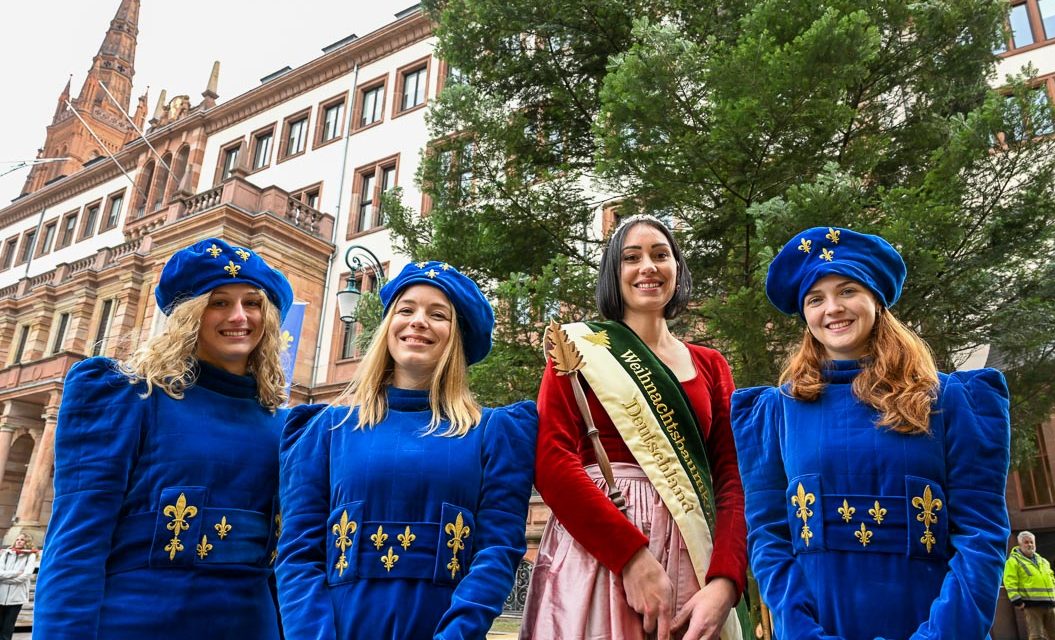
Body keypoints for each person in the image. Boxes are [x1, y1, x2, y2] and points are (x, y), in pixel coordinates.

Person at [731, 226, 1011, 639]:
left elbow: (980, 535)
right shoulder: (776, 412)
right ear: (805, 314)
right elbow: (769, 540)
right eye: (816, 299)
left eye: (847, 291)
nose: (832, 309)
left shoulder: (952, 400)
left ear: (876, 300)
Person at [33, 237, 293, 640]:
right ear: (190, 314)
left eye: (253, 303)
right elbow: (77, 542)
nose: (239, 316)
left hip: (250, 625)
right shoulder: (130, 398)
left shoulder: (284, 425)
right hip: (138, 624)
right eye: (219, 302)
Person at [275, 260, 537, 640]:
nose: (418, 321)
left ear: (457, 336)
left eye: (437, 314)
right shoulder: (326, 430)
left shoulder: (493, 433)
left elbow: (497, 550)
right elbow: (299, 554)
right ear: (387, 327)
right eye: (406, 309)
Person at [521, 215, 749, 640]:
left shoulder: (711, 365)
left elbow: (731, 480)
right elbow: (552, 461)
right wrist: (630, 557)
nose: (648, 266)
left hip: (693, 553)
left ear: (677, 270)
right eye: (631, 257)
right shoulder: (576, 349)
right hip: (602, 552)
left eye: (660, 255)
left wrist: (725, 581)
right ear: (615, 273)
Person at [1003, 531, 1055, 640]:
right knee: (1036, 636)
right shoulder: (1013, 561)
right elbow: (1010, 581)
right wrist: (1016, 600)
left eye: (1031, 542)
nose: (1030, 545)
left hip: (1049, 603)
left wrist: (1053, 595)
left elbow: (1052, 577)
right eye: (1026, 542)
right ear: (1020, 544)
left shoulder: (1043, 561)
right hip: (1032, 604)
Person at [0, 533, 37, 640]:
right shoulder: (6, 554)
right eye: (17, 539)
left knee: (8, 626)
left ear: (27, 542)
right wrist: (16, 573)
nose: (19, 541)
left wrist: (5, 578)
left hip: (16, 597)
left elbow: (25, 576)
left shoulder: (31, 555)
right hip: (1, 595)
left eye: (22, 540)